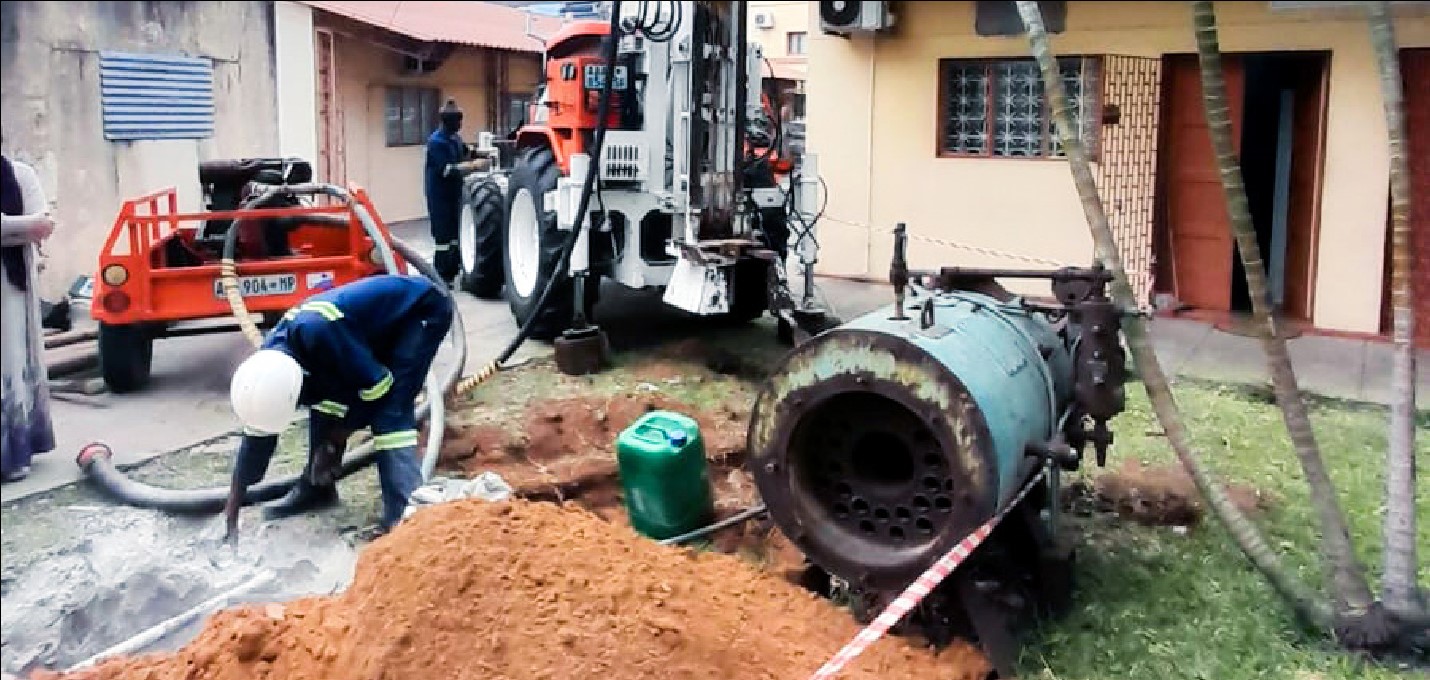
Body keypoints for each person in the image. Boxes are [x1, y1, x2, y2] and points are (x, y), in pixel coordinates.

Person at [222, 273, 453, 541]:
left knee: (390, 413)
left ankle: (406, 518)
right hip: (361, 332)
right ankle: (317, 489)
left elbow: (378, 386)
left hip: (417, 312)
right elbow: (256, 441)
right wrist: (232, 514)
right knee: (324, 403)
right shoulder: (271, 368)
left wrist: (334, 441)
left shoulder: (321, 335)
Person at [1, 154, 57, 483]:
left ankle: (15, 453)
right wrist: (23, 227)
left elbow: (45, 222)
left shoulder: (19, 173)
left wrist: (13, 228)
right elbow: (34, 225)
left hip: (14, 286)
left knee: (15, 362)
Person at [424, 98, 469, 283]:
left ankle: (454, 270)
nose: (459, 124)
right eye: (456, 120)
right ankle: (441, 275)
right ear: (446, 121)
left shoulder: (454, 138)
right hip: (440, 196)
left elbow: (466, 152)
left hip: (454, 193)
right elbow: (447, 170)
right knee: (443, 237)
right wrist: (473, 166)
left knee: (455, 235)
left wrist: (482, 153)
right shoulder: (436, 142)